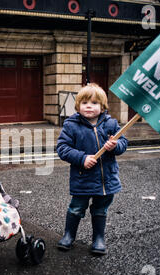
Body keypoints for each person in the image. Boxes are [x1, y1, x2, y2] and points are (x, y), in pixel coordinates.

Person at [56, 83, 128, 255]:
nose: (89, 106)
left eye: (95, 103)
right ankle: (69, 235)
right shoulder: (71, 125)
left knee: (100, 209)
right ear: (78, 105)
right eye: (85, 102)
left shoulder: (111, 124)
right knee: (76, 208)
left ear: (102, 107)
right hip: (83, 178)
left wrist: (115, 146)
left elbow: (123, 144)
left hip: (106, 180)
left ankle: (98, 239)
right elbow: (63, 148)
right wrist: (82, 158)